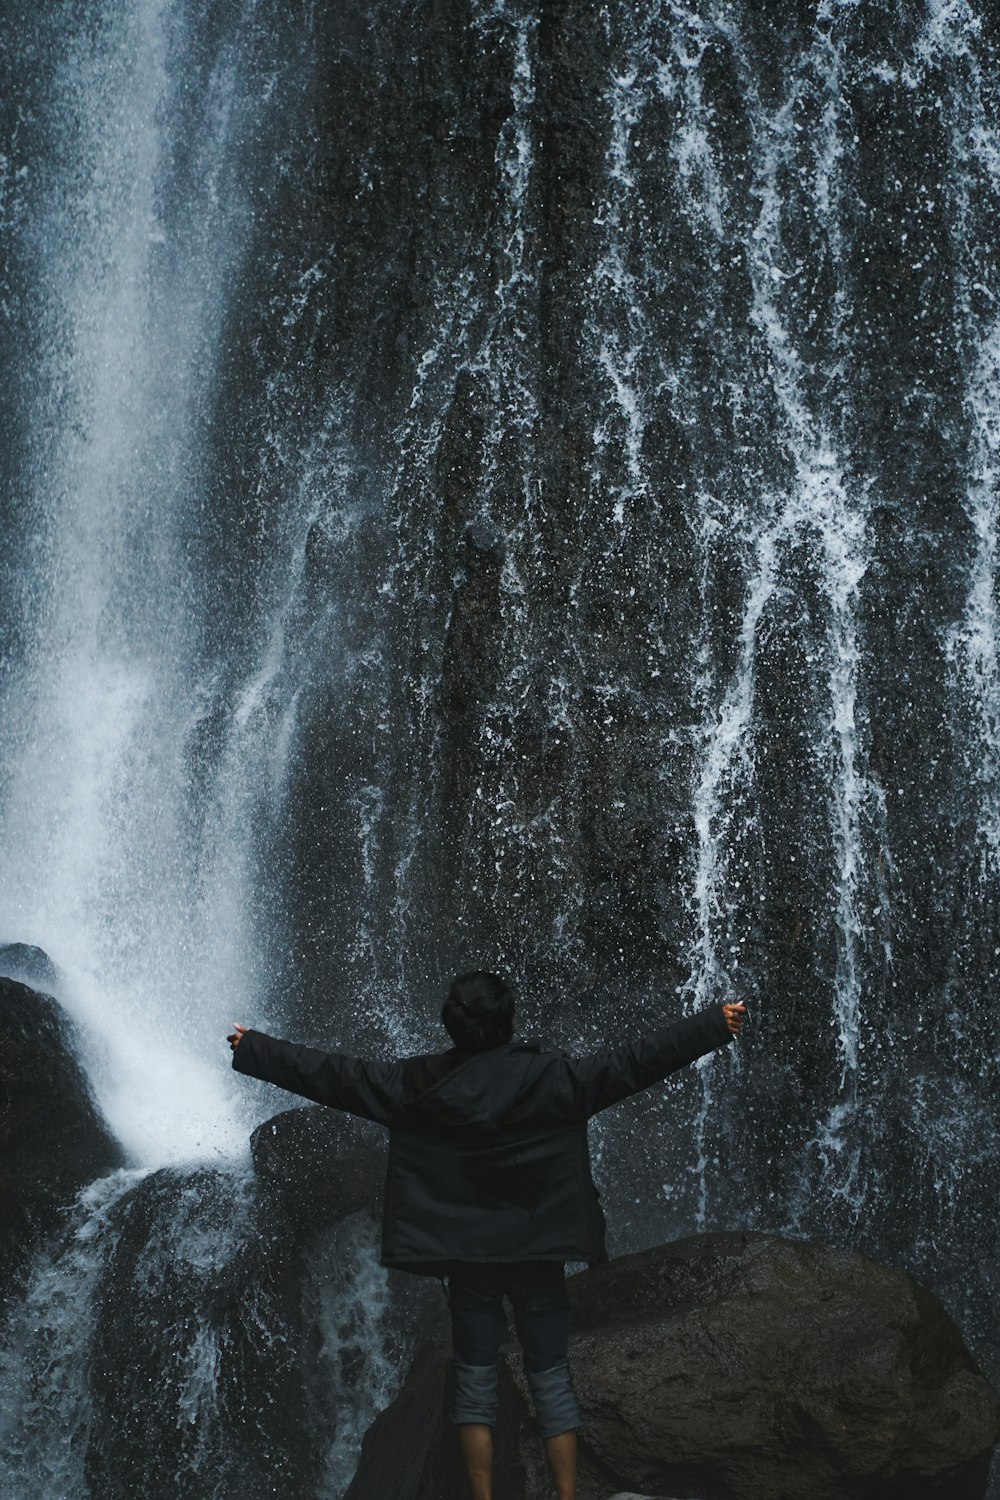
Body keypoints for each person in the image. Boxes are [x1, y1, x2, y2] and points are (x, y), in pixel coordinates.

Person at [228, 972, 745, 1500]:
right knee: (550, 1375)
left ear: (452, 1025)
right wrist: (712, 1025)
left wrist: (255, 1049)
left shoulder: (417, 1084)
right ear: (508, 1020)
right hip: (536, 1252)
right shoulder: (552, 1077)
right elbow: (636, 1062)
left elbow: (333, 1075)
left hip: (468, 1258)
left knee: (474, 1383)